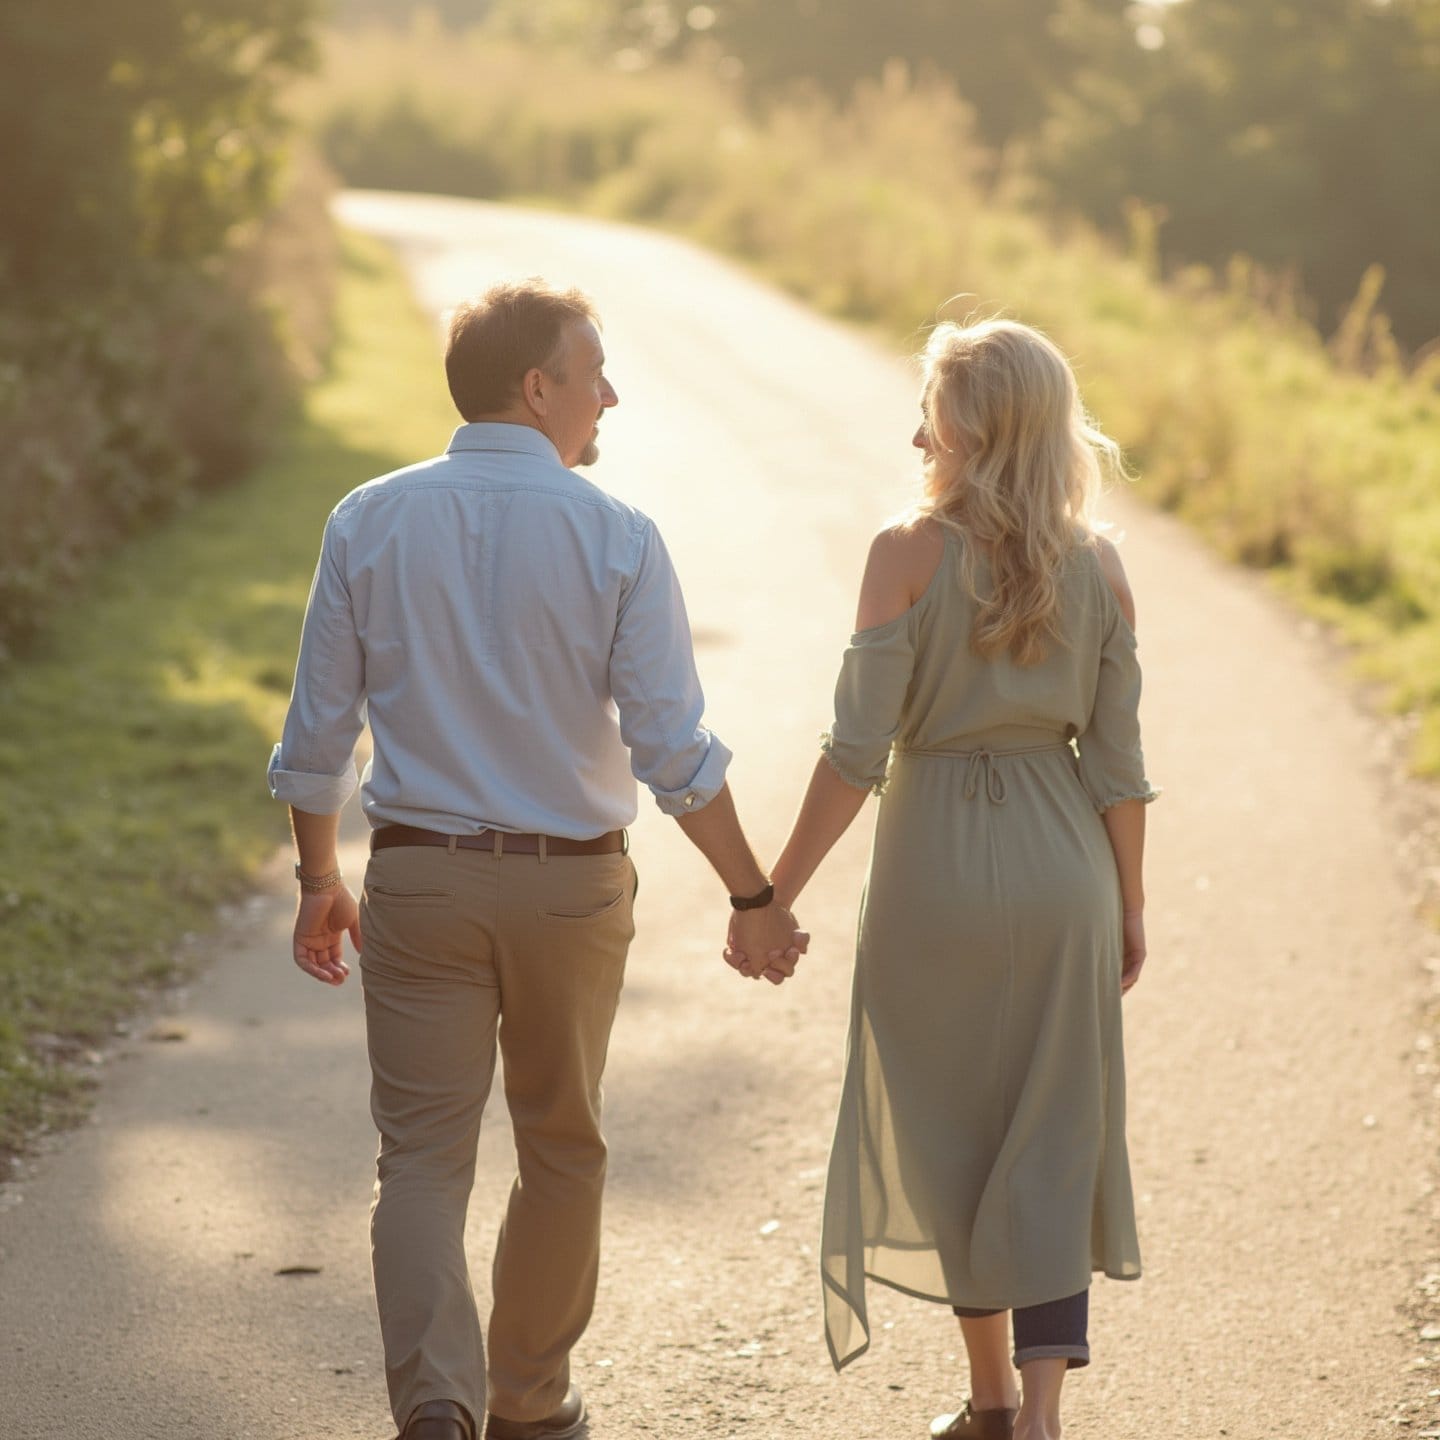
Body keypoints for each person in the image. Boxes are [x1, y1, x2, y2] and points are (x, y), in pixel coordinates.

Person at [267, 278, 805, 1440]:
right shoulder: (617, 536)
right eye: (593, 371)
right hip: (570, 888)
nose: (609, 395)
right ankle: (528, 1402)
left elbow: (316, 733)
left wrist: (320, 878)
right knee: (562, 1143)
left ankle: (438, 1411)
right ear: (537, 386)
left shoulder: (367, 517)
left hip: (418, 881)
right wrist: (752, 894)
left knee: (417, 1162)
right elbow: (673, 750)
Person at [731, 317, 1156, 1440]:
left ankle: (990, 1401)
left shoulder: (904, 552)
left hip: (933, 872)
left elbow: (853, 753)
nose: (915, 429)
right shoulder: (1101, 565)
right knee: (1057, 1127)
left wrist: (775, 895)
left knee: (949, 1127)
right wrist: (1132, 899)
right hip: (1065, 862)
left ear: (961, 427)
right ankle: (1046, 1414)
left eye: (929, 408)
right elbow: (1118, 765)